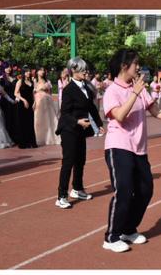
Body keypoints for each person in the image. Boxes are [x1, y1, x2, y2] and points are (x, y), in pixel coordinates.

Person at [102, 49, 161, 253]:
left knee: (146, 190)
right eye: (135, 64)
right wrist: (134, 92)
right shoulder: (113, 90)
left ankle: (128, 229)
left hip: (139, 148)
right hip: (118, 146)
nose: (139, 67)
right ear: (123, 66)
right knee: (125, 191)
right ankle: (111, 237)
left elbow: (157, 111)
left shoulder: (140, 89)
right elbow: (119, 115)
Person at [55, 57, 101, 209]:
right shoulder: (68, 90)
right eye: (83, 69)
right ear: (73, 70)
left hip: (81, 130)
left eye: (86, 69)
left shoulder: (87, 87)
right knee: (68, 162)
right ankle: (61, 196)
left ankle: (77, 189)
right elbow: (65, 113)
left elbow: (92, 108)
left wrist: (99, 124)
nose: (86, 72)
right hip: (69, 129)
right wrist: (77, 122)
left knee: (81, 160)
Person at [34, 67, 60, 146]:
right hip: (38, 101)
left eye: (43, 70)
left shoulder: (48, 81)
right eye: (40, 70)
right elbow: (33, 93)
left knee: (49, 119)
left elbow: (50, 93)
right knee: (38, 119)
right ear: (37, 72)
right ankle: (39, 138)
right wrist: (34, 102)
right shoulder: (34, 81)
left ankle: (50, 137)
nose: (42, 72)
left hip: (47, 101)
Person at [14, 67, 38, 149]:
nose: (28, 73)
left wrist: (34, 102)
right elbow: (16, 93)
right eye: (26, 72)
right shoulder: (20, 81)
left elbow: (33, 94)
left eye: (29, 71)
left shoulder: (32, 81)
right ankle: (23, 143)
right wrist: (24, 100)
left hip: (30, 103)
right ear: (23, 73)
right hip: (22, 104)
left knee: (30, 123)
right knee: (22, 123)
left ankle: (31, 142)